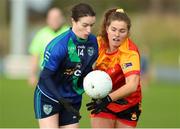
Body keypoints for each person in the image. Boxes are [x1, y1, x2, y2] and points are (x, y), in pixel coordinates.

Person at [34, 3, 98, 128]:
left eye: (91, 25)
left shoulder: (93, 42)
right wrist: (61, 99)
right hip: (49, 96)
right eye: (85, 25)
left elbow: (86, 70)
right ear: (73, 21)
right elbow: (45, 76)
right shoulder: (59, 45)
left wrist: (98, 87)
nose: (89, 30)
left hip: (72, 99)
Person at [86, 8, 142, 128]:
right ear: (107, 29)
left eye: (122, 31)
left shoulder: (129, 51)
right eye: (113, 29)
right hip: (103, 100)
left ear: (128, 32)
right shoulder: (98, 43)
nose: (117, 35)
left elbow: (132, 85)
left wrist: (108, 98)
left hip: (128, 103)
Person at [28, 7, 69, 86]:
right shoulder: (41, 34)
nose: (55, 20)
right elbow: (35, 56)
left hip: (65, 74)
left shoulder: (69, 33)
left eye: (57, 18)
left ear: (62, 18)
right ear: (47, 19)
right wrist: (32, 74)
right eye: (52, 18)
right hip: (45, 73)